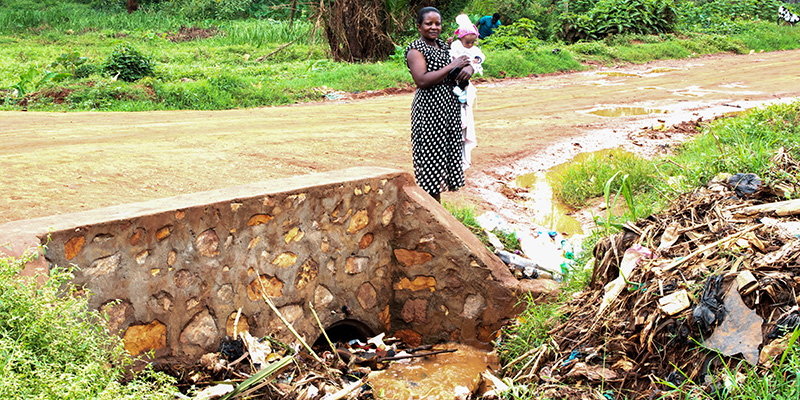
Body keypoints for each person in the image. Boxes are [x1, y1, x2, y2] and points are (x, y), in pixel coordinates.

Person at [405, 7, 474, 202]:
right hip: (429, 112)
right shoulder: (415, 50)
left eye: (438, 23)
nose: (434, 27)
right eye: (429, 23)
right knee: (430, 164)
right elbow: (422, 80)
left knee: (445, 158)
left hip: (449, 109)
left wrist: (468, 68)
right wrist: (453, 65)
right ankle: (432, 215)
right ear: (419, 26)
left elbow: (465, 62)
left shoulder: (445, 47)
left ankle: (437, 215)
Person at [449, 14, 485, 171]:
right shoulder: (456, 45)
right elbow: (452, 57)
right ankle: (454, 158)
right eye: (467, 42)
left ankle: (463, 158)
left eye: (472, 42)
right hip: (455, 77)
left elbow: (480, 57)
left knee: (464, 121)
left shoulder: (475, 48)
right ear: (461, 39)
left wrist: (476, 60)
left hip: (465, 83)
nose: (469, 45)